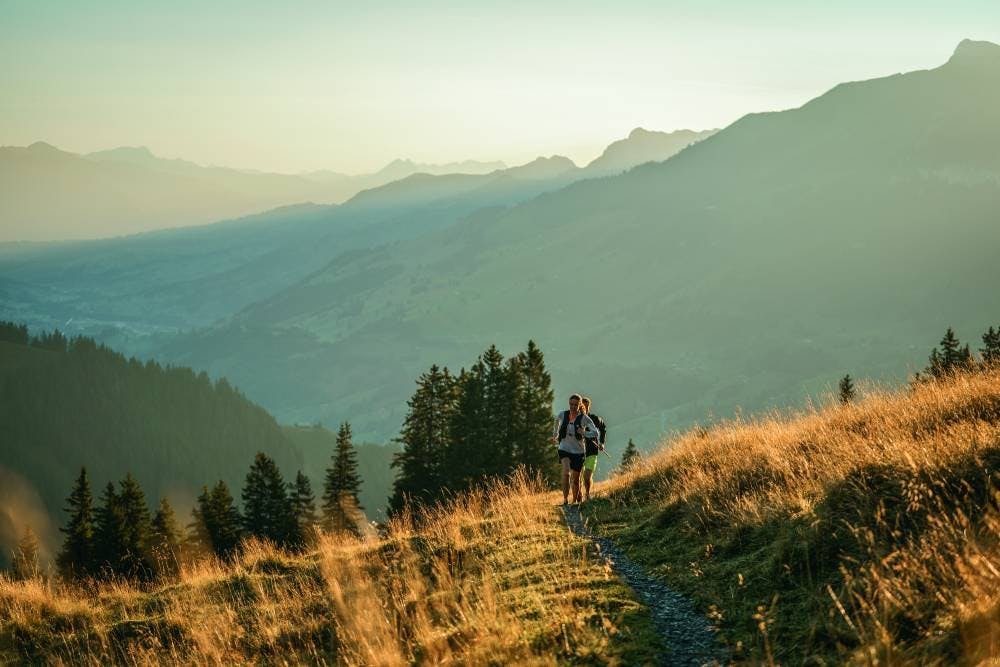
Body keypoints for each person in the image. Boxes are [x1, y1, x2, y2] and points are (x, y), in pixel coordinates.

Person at [552, 393, 600, 505]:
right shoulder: (563, 414)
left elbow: (596, 432)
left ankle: (574, 502)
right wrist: (555, 434)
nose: (573, 407)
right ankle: (565, 500)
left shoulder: (584, 418)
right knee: (566, 473)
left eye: (575, 405)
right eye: (571, 404)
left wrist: (584, 433)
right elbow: (556, 420)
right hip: (564, 448)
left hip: (578, 451)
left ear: (580, 405)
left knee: (576, 479)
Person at [580, 397, 607, 501]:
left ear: (588, 407)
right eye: (581, 406)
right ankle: (578, 495)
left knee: (586, 476)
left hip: (592, 450)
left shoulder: (595, 418)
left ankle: (587, 494)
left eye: (585, 406)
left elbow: (603, 428)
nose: (583, 408)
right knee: (577, 477)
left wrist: (602, 443)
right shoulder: (575, 419)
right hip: (578, 451)